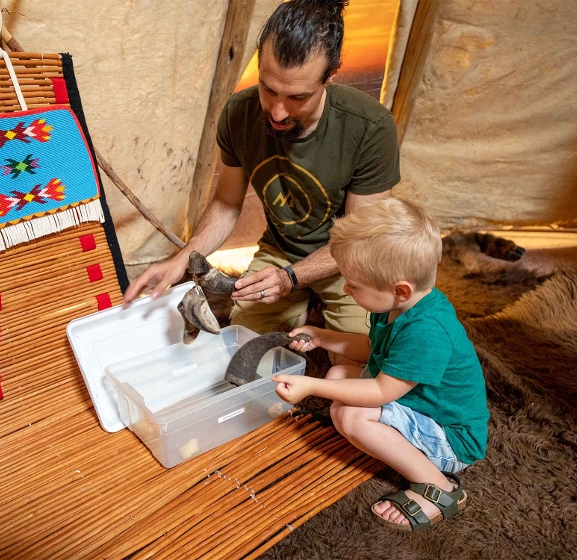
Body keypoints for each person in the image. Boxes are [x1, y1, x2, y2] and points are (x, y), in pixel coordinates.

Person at [123, 0, 400, 339]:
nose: (279, 112)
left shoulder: (370, 127)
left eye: (298, 97)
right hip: (281, 251)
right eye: (268, 89)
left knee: (367, 359)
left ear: (330, 76)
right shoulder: (239, 113)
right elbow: (226, 204)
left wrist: (292, 279)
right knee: (242, 348)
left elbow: (359, 239)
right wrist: (182, 258)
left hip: (351, 261)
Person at [271, 198, 490, 532]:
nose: (346, 289)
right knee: (339, 373)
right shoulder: (397, 305)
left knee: (351, 413)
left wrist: (311, 386)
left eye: (353, 285)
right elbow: (375, 348)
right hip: (419, 404)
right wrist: (322, 335)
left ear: (399, 289)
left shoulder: (427, 331)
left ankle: (439, 489)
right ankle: (391, 442)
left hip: (451, 439)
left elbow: (380, 390)